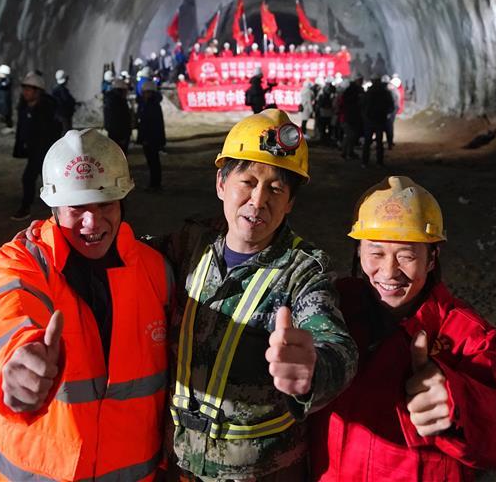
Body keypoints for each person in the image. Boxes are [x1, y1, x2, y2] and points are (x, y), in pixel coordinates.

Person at [150, 109, 358, 481]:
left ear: (290, 202)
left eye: (276, 189)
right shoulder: (189, 243)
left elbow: (336, 345)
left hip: (261, 473)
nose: (258, 200)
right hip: (180, 466)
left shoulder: (304, 270)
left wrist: (313, 371)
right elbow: (122, 257)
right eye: (247, 181)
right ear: (221, 184)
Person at [0, 129, 170, 481]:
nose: (92, 223)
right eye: (76, 208)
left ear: (122, 201)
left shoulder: (155, 271)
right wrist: (12, 366)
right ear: (54, 206)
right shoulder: (21, 263)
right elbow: (4, 311)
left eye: (104, 204)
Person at [310, 176, 496, 480]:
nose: (389, 272)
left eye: (407, 255)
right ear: (358, 252)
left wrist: (457, 401)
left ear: (431, 259)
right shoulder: (331, 310)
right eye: (376, 252)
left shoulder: (470, 337)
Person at [11, 71, 62, 220]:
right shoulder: (25, 108)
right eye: (24, 89)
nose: (25, 92)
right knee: (32, 178)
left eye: (29, 89)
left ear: (37, 91)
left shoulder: (48, 109)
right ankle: (29, 207)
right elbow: (23, 129)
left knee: (45, 180)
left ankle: (62, 209)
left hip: (46, 152)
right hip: (34, 151)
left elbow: (56, 130)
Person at [138, 82, 166, 191]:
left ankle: (155, 184)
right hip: (151, 139)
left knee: (153, 162)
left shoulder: (151, 106)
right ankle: (155, 183)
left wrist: (146, 139)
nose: (145, 95)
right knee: (153, 162)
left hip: (151, 139)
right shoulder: (149, 105)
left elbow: (151, 125)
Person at [361, 77, 393, 168]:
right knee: (379, 142)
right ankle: (379, 162)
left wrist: (365, 116)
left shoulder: (368, 93)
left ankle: (365, 162)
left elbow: (362, 105)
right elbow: (390, 105)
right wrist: (386, 114)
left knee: (367, 142)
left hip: (369, 120)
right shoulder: (385, 93)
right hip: (380, 119)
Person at [103, 76, 133, 154]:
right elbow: (119, 120)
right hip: (119, 135)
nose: (126, 93)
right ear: (120, 91)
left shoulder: (111, 101)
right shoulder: (118, 103)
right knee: (120, 155)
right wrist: (123, 136)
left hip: (114, 133)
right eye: (125, 91)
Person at [337, 77, 363, 161]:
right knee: (350, 136)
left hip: (348, 117)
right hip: (347, 117)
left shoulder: (347, 93)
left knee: (350, 136)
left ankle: (347, 152)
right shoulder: (350, 93)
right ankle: (346, 153)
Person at [0, 64, 13, 129]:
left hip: (5, 101)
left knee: (6, 113)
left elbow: (3, 86)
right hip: (2, 100)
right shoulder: (1, 81)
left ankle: (8, 124)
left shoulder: (7, 81)